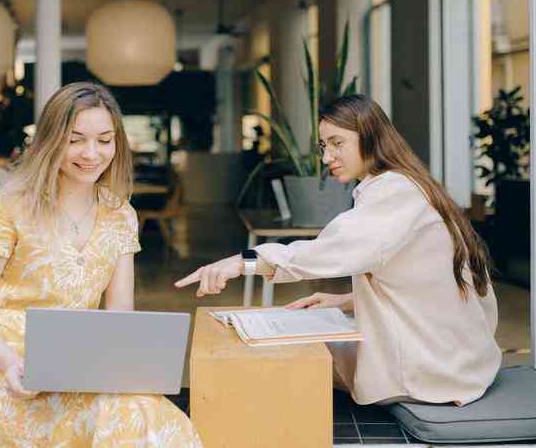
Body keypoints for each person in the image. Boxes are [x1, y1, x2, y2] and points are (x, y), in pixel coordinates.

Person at [175, 94, 501, 407]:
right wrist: (345, 300)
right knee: (310, 335)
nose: (326, 157)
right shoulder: (408, 184)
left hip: (430, 371)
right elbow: (424, 283)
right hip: (457, 359)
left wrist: (241, 262)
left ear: (370, 137)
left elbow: (326, 252)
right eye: (323, 145)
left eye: (337, 143)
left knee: (282, 356)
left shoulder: (395, 193)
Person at [0, 82, 202, 447]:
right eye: (76, 140)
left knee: (151, 417)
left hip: (77, 367)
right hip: (3, 367)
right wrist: (10, 364)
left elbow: (120, 314)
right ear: (52, 140)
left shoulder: (120, 214)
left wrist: (123, 371)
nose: (92, 153)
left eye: (104, 140)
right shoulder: (7, 207)